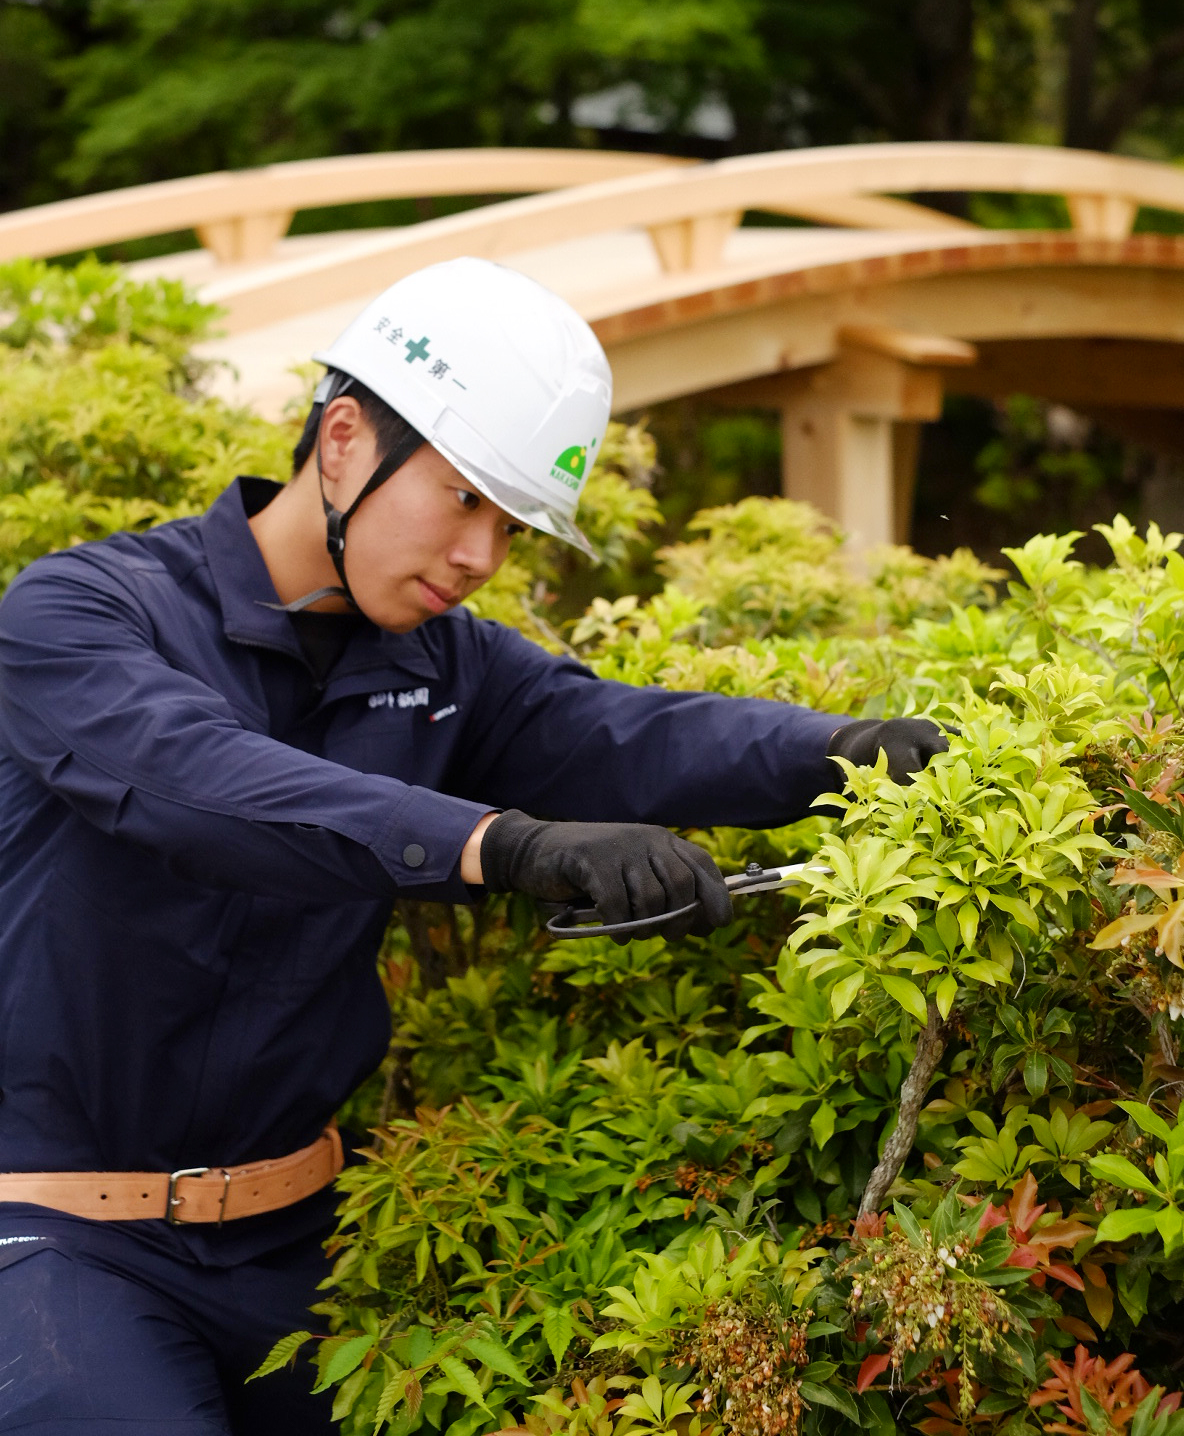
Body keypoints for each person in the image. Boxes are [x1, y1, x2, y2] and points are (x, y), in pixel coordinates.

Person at [0, 258, 944, 1433]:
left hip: (305, 1251)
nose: (482, 558)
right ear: (341, 440)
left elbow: (623, 730)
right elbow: (201, 782)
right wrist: (503, 844)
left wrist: (850, 751)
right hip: (52, 1246)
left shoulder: (440, 665)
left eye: (508, 523)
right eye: (462, 500)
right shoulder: (80, 615)